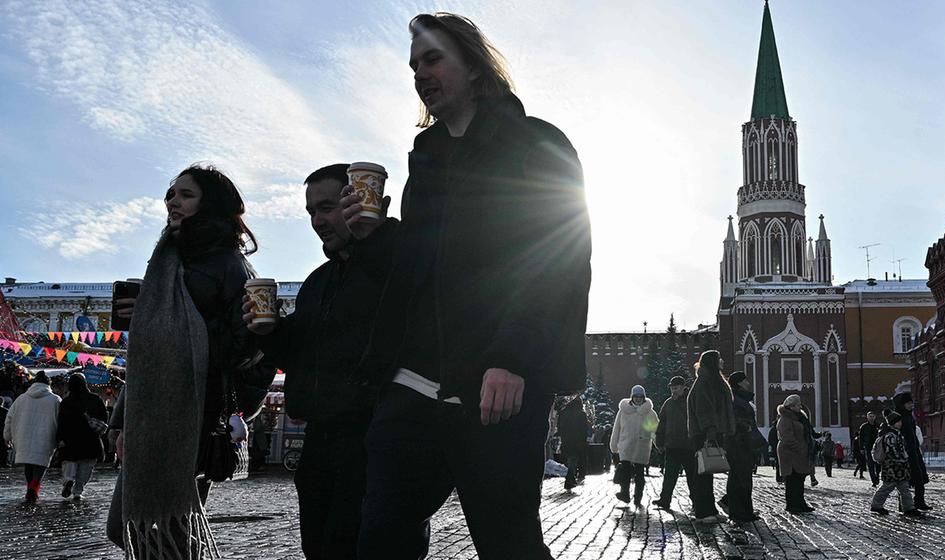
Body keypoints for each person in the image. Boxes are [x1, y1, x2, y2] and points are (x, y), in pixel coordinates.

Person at [349, 13, 591, 560]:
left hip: (495, 386)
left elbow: (558, 258)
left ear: (476, 67)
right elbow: (418, 270)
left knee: (509, 544)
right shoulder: (426, 161)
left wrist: (512, 357)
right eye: (414, 65)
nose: (420, 74)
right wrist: (371, 238)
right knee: (381, 539)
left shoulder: (537, 143)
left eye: (433, 59)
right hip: (413, 384)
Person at [106, 164, 273, 556]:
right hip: (151, 414)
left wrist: (166, 318)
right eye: (171, 194)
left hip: (193, 414)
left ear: (210, 204)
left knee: (157, 526)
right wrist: (123, 421)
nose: (173, 202)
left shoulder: (230, 264)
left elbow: (243, 348)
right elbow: (147, 355)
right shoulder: (169, 258)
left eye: (186, 194)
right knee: (139, 527)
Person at [243, 163, 398, 560]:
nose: (318, 221)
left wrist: (376, 238)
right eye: (312, 211)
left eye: (327, 208)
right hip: (320, 441)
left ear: (357, 200)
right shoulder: (317, 282)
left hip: (375, 435)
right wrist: (269, 332)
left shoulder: (398, 264)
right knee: (320, 547)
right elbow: (299, 353)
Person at [686, 350, 734, 523]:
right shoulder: (704, 382)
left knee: (708, 472)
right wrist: (710, 430)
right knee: (702, 473)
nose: (722, 362)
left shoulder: (711, 381)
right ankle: (702, 512)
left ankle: (710, 509)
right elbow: (704, 409)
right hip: (704, 433)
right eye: (718, 359)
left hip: (712, 431)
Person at [3, 371, 61, 503]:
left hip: (23, 436)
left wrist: (7, 436)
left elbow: (9, 418)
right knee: (41, 463)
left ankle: (30, 487)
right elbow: (61, 420)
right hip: (46, 436)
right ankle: (34, 488)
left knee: (28, 463)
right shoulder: (55, 400)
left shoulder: (21, 399)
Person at [55, 372, 108, 501]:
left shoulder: (66, 402)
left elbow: (60, 422)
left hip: (70, 440)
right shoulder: (95, 399)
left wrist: (60, 438)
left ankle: (68, 479)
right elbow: (104, 417)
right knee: (86, 466)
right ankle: (78, 491)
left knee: (69, 462)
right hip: (90, 439)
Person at [610, 386, 657, 507]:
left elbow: (654, 430)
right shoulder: (623, 411)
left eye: (640, 396)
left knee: (639, 473)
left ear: (644, 397)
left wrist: (658, 444)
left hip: (642, 446)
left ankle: (638, 497)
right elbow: (617, 428)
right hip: (626, 445)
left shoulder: (649, 412)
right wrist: (614, 445)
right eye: (635, 396)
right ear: (632, 397)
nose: (638, 398)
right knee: (625, 471)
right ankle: (625, 494)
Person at [869, 411, 923, 518]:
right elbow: (892, 452)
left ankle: (909, 508)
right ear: (893, 423)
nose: (900, 423)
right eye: (898, 422)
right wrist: (903, 459)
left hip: (899, 467)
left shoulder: (896, 434)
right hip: (892, 467)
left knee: (904, 488)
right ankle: (876, 505)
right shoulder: (890, 436)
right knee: (887, 487)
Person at [724, 370, 762, 522]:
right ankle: (739, 512)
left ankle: (745, 511)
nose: (748, 383)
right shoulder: (735, 399)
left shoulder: (739, 398)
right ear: (739, 383)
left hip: (743, 443)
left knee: (743, 478)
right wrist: (746, 427)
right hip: (739, 444)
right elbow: (734, 420)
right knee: (740, 478)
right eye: (745, 380)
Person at [653, 376, 694, 509]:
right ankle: (665, 500)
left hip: (689, 446)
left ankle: (696, 500)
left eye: (676, 388)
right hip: (672, 445)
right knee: (669, 475)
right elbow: (662, 423)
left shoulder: (690, 401)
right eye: (672, 388)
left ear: (683, 387)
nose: (673, 391)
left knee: (692, 476)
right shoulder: (668, 403)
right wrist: (660, 442)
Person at [776, 394, 816, 513]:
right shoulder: (785, 418)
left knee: (799, 478)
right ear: (791, 406)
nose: (800, 406)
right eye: (798, 405)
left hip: (799, 452)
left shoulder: (799, 417)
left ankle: (800, 503)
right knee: (792, 479)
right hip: (790, 453)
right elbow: (786, 437)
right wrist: (799, 448)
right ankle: (792, 504)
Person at [891, 392, 931, 510]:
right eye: (908, 403)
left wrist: (916, 446)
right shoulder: (898, 418)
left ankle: (919, 501)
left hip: (914, 451)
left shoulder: (909, 416)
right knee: (905, 481)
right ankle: (903, 504)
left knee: (919, 478)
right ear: (902, 404)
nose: (911, 405)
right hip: (905, 453)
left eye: (911, 403)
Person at [556, 395, 591, 490]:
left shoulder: (563, 412)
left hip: (566, 440)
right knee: (573, 459)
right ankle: (569, 479)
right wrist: (584, 440)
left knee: (570, 459)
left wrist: (562, 436)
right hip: (577, 441)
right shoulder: (581, 414)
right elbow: (584, 429)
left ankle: (571, 478)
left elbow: (559, 426)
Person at [857, 411, 880, 486]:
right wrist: (861, 448)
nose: (871, 418)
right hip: (868, 447)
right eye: (870, 416)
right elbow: (861, 438)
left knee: (878, 463)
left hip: (877, 447)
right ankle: (874, 480)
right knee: (870, 464)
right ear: (867, 417)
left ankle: (877, 476)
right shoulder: (864, 426)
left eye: (873, 416)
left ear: (875, 417)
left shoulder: (878, 426)